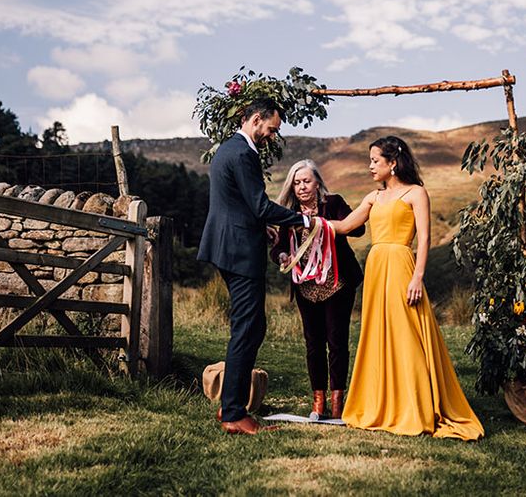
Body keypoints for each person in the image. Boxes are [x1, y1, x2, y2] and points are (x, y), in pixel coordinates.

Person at [329, 135, 484, 441]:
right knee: (378, 333)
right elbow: (344, 226)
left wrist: (418, 277)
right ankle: (382, 402)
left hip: (401, 265)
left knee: (407, 333)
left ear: (393, 163)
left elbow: (424, 238)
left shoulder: (416, 193)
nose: (370, 166)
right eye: (370, 161)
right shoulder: (373, 197)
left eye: (375, 160)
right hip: (376, 268)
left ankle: (416, 405)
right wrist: (304, 222)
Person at [197, 97, 313, 436]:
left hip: (228, 246)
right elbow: (261, 206)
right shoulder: (244, 153)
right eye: (272, 128)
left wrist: (262, 224)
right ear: (256, 119)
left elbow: (238, 204)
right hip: (239, 252)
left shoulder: (227, 149)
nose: (272, 136)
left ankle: (231, 405)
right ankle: (234, 413)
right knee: (247, 329)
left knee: (252, 326)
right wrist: (303, 219)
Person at [270, 160, 365, 419]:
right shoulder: (288, 212)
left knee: (337, 342)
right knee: (313, 344)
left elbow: (358, 228)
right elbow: (277, 247)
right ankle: (317, 403)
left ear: (317, 183)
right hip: (306, 288)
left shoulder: (333, 203)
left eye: (306, 181)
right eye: (297, 182)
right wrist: (282, 257)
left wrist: (325, 224)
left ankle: (337, 403)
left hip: (338, 284)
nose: (301, 187)